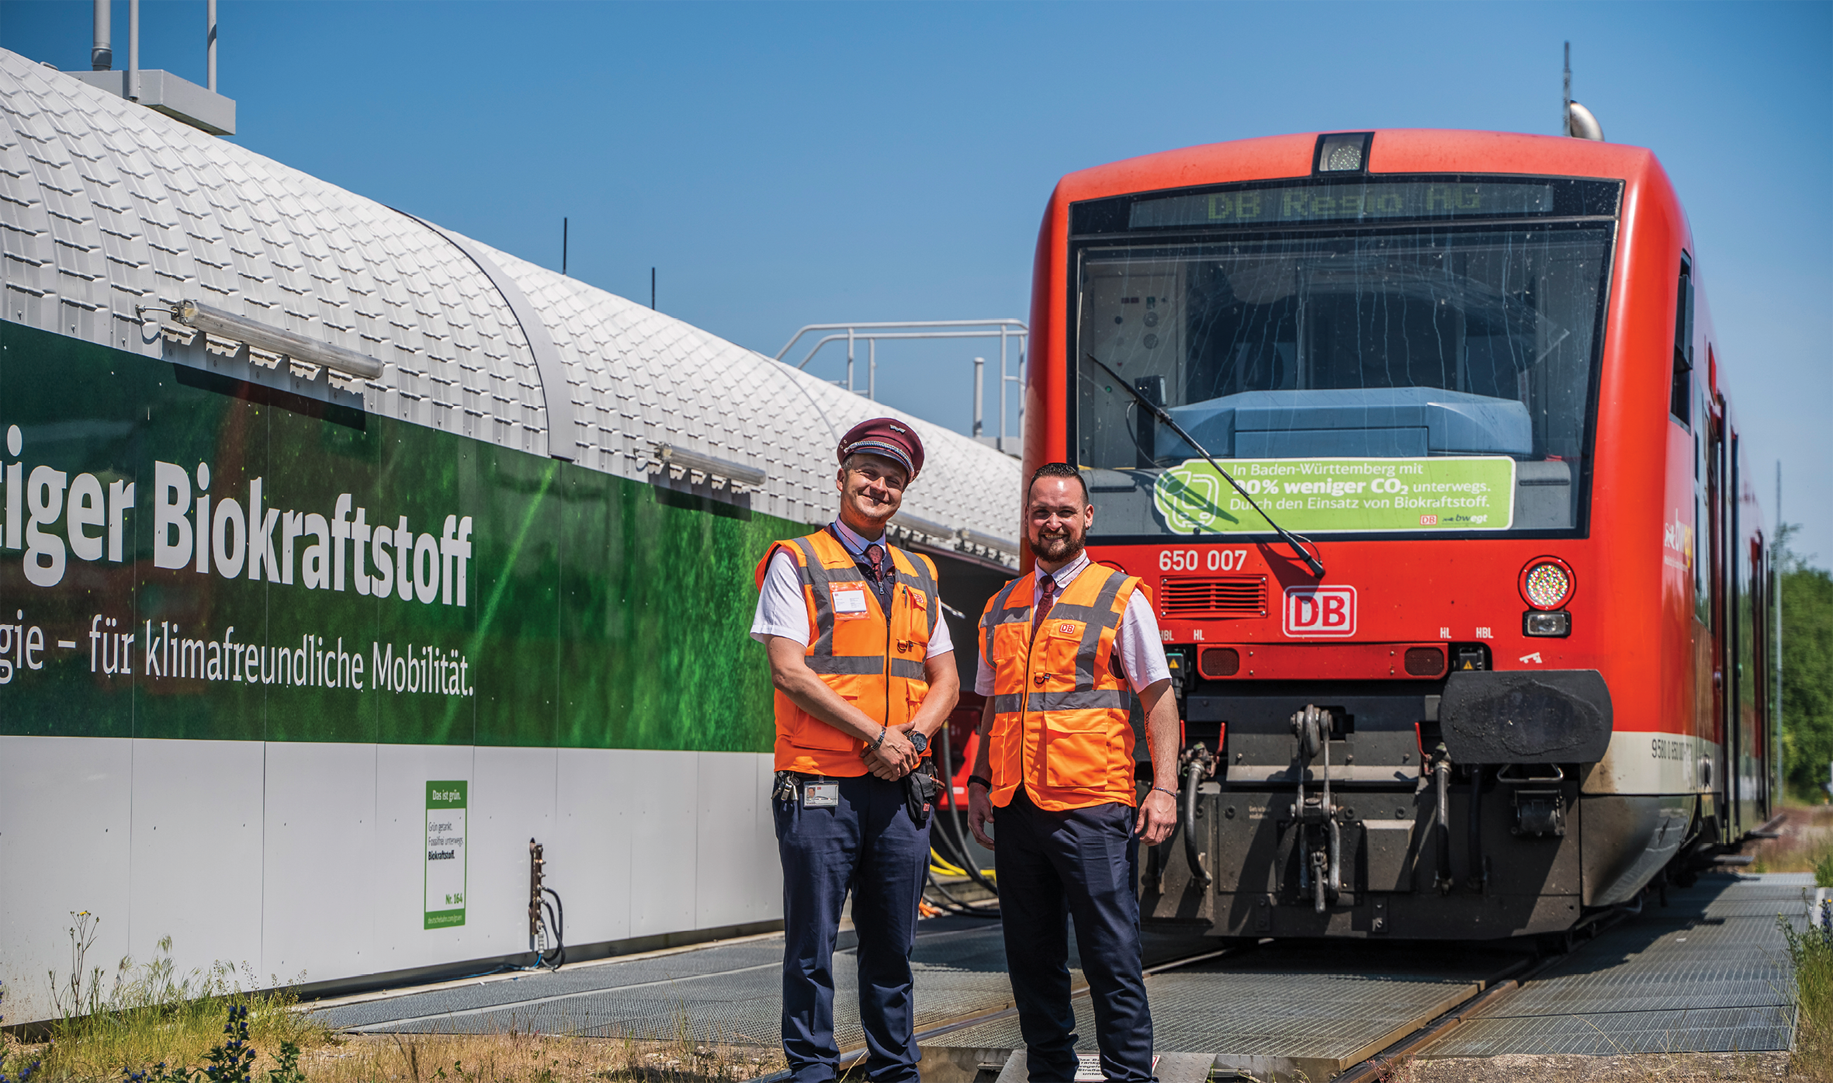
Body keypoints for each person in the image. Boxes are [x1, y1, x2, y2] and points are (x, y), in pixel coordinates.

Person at [751, 417, 961, 1083]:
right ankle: (813, 1069)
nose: (879, 485)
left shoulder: (919, 572)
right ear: (841, 476)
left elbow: (946, 680)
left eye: (893, 478)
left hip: (898, 790)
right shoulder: (796, 559)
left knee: (893, 947)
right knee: (812, 944)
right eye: (868, 472)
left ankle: (894, 1068)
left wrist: (913, 740)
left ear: (904, 490)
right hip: (819, 788)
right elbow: (789, 670)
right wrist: (877, 736)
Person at [965, 461, 1179, 1083]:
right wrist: (980, 781)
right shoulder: (1001, 605)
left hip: (1093, 807)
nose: (1051, 522)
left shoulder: (1120, 596)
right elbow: (992, 705)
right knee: (1031, 961)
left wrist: (1162, 787)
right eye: (1041, 511)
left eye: (1064, 511)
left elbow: (1157, 698)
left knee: (1111, 958)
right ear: (1027, 519)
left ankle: (1128, 1077)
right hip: (1017, 809)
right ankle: (1049, 1075)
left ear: (1087, 518)